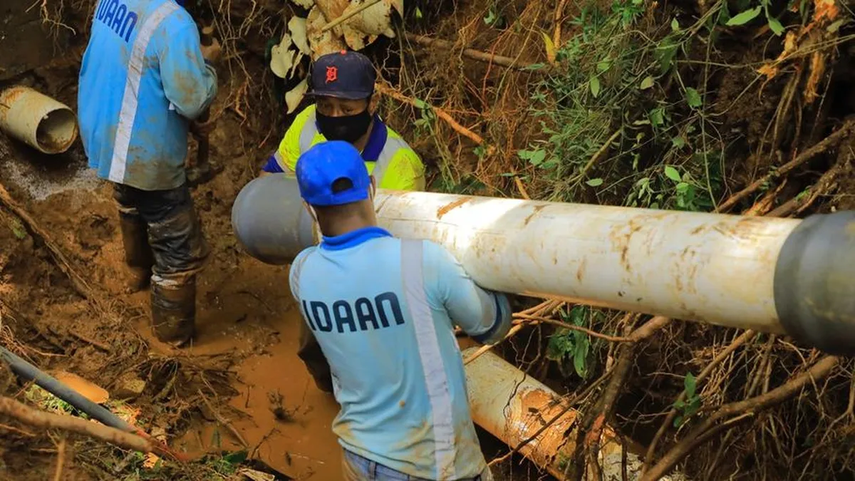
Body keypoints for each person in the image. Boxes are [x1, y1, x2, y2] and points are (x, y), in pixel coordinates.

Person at [288, 140, 511, 481]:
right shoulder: (423, 261)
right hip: (431, 466)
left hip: (358, 458)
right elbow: (492, 327)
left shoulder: (302, 272)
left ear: (308, 207)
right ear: (373, 186)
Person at [77, 0, 221, 347]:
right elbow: (191, 99)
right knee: (178, 247)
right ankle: (172, 339)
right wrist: (210, 67)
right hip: (140, 146)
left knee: (131, 199)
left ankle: (137, 271)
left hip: (102, 129)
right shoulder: (174, 23)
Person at [260, 50, 425, 192]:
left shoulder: (402, 165)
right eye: (325, 106)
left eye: (347, 109)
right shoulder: (308, 120)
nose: (335, 116)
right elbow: (270, 180)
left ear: (372, 103)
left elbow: (400, 226)